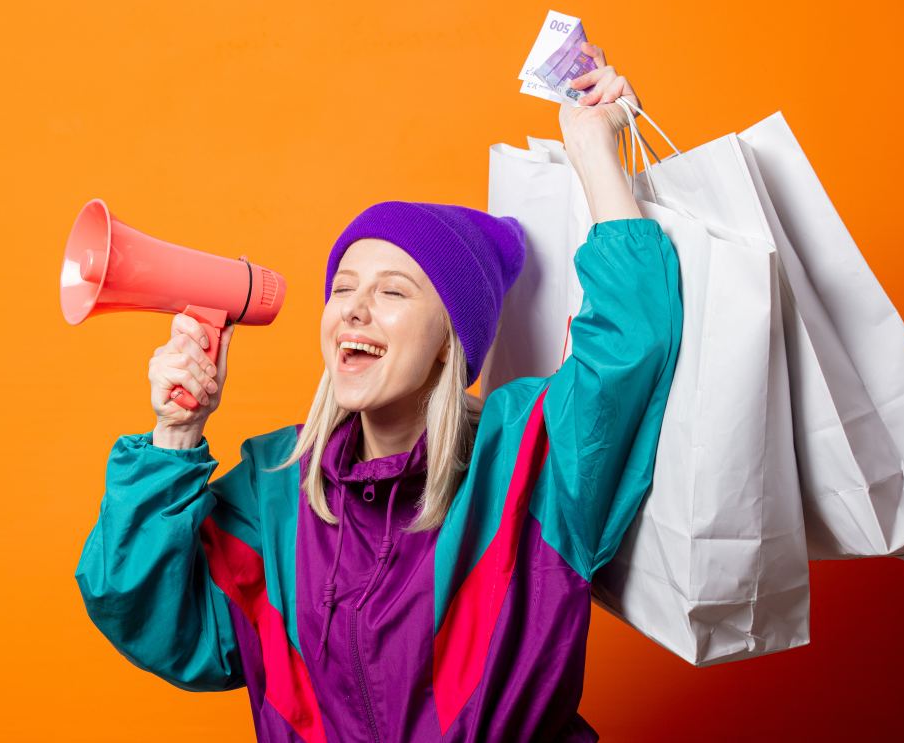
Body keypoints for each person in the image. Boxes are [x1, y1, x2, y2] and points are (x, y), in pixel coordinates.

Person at [75, 41, 684, 742]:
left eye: (393, 291)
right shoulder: (273, 494)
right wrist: (174, 435)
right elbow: (151, 620)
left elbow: (631, 344)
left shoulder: (527, 464)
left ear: (450, 339)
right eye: (343, 289)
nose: (355, 310)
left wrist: (595, 153)